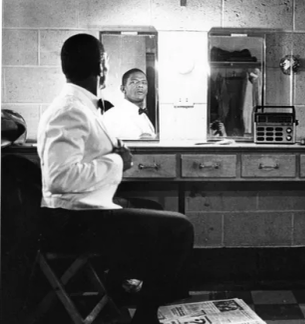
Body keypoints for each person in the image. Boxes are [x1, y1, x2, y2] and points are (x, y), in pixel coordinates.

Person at [36, 34, 194, 324]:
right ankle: (146, 315)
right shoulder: (69, 110)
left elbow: (81, 160)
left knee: (155, 211)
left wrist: (112, 152)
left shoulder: (82, 106)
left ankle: (125, 292)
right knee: (179, 229)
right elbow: (60, 178)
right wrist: (116, 161)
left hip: (81, 213)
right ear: (102, 66)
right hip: (71, 222)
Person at [103, 68, 156, 139]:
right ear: (123, 89)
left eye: (144, 82)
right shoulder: (111, 116)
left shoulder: (143, 115)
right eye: (134, 82)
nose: (140, 85)